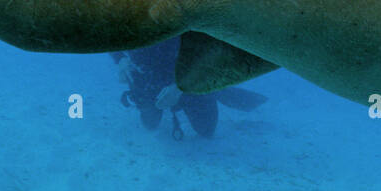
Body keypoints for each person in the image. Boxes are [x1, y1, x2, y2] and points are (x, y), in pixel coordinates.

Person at [113, 35, 267, 139]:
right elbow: (109, 33)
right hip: (148, 80)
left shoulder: (187, 15)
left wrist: (181, 86)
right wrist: (120, 59)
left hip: (189, 79)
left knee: (206, 131)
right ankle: (210, 88)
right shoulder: (130, 9)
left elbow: (211, 53)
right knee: (150, 124)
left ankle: (214, 90)